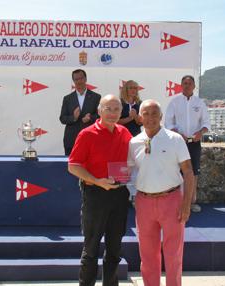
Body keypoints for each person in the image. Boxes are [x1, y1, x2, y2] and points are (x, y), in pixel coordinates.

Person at [68, 94, 132, 286]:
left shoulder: (125, 132)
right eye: (108, 109)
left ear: (122, 112)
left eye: (116, 109)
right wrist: (97, 181)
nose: (113, 113)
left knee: (114, 249)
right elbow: (73, 166)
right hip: (95, 195)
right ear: (99, 110)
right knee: (91, 249)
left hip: (120, 195)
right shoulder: (86, 134)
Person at [129, 99, 194, 286]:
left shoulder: (175, 139)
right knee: (148, 255)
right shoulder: (133, 142)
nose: (150, 118)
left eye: (154, 113)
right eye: (146, 114)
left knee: (173, 254)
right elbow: (127, 171)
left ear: (161, 116)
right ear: (140, 118)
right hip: (144, 202)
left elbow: (188, 172)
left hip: (172, 199)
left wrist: (186, 204)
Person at [164, 75, 210, 212]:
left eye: (190, 83)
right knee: (176, 172)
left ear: (194, 86)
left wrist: (200, 133)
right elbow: (168, 123)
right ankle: (175, 203)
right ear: (181, 85)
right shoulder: (174, 102)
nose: (187, 85)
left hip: (194, 143)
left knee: (193, 172)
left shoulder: (200, 103)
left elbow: (206, 123)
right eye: (185, 83)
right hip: (178, 143)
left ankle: (191, 203)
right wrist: (178, 134)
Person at [59, 69, 101, 155]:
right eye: (76, 79)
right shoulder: (67, 98)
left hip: (91, 138)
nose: (79, 81)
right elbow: (62, 118)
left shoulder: (96, 97)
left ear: (85, 79)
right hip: (71, 140)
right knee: (71, 167)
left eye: (81, 78)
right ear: (73, 81)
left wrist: (90, 118)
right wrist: (73, 117)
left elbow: (100, 116)